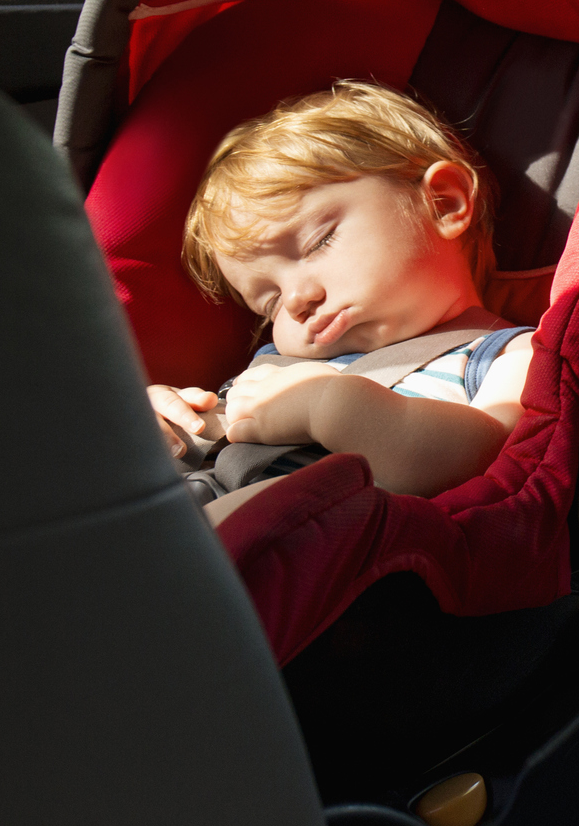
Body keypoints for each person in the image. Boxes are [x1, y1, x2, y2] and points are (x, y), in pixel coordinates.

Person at [150, 81, 535, 524]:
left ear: (442, 203)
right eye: (270, 302)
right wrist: (165, 424)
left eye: (319, 242)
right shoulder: (281, 365)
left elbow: (486, 464)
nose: (297, 300)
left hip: (306, 537)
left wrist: (326, 406)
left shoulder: (512, 354)